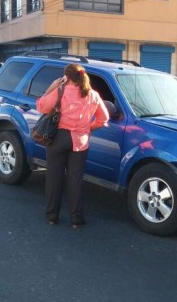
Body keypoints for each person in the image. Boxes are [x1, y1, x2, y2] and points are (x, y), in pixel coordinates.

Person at [36, 63, 109, 229]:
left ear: (66, 77)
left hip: (58, 138)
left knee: (54, 178)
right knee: (75, 181)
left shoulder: (60, 92)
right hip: (80, 141)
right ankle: (76, 219)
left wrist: (52, 86)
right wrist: (87, 129)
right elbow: (103, 119)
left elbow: (40, 106)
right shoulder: (93, 95)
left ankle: (52, 216)